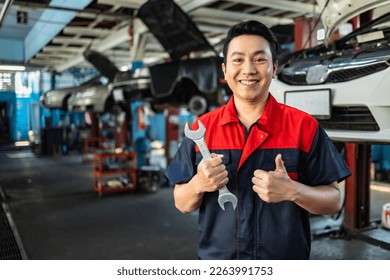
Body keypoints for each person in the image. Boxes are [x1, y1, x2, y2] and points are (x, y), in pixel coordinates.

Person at [165, 20, 351, 260]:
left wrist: (293, 190)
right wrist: (199, 183)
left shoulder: (304, 126)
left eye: (260, 59)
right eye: (238, 59)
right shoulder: (203, 129)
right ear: (224, 70)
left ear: (274, 68)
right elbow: (182, 202)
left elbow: (333, 201)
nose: (248, 69)